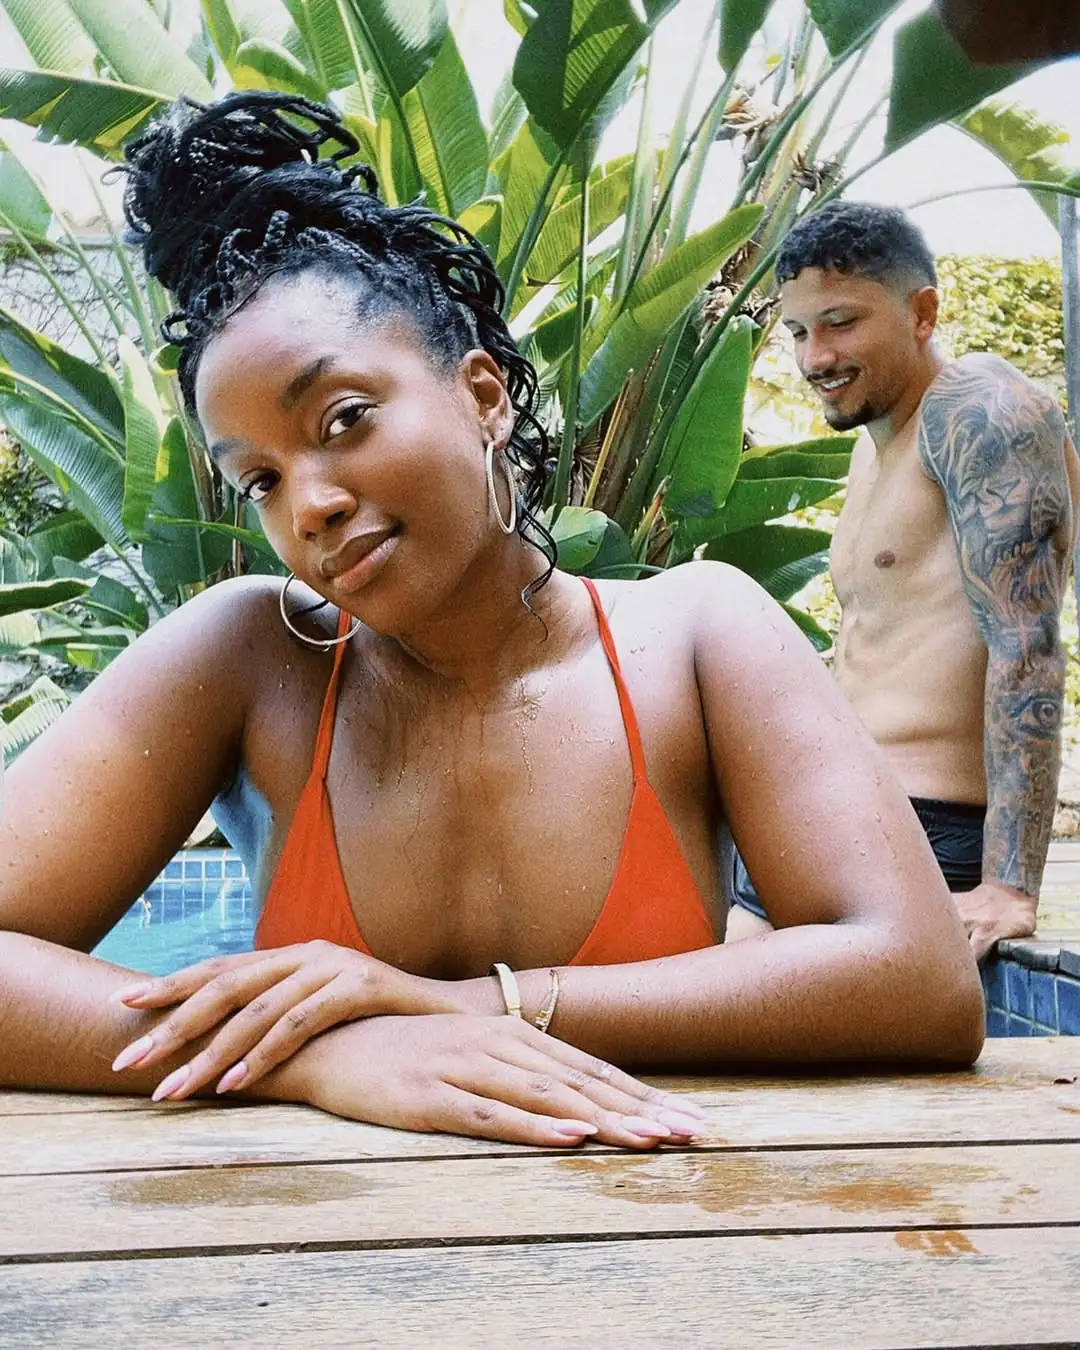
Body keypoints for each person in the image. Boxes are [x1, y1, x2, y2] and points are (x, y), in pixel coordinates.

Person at [0, 96, 984, 1147]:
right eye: (261, 480)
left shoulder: (692, 639)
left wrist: (467, 1008)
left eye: (345, 419)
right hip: (314, 1236)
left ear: (482, 396)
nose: (309, 505)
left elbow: (920, 982)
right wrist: (318, 1053)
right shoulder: (252, 658)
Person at [726, 201, 1080, 961]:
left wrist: (1009, 886)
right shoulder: (874, 443)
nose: (815, 358)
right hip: (841, 810)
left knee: (714, 1003)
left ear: (923, 313)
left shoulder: (982, 410)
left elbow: (1027, 644)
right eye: (798, 331)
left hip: (926, 824)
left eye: (841, 322)